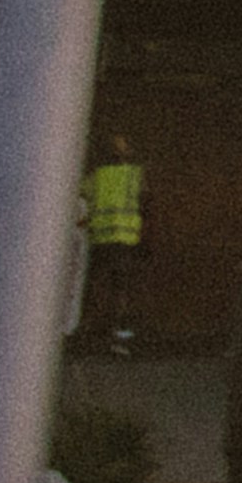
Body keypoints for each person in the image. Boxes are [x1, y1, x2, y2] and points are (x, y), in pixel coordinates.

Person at [80, 129, 149, 354]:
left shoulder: (96, 175)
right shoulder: (134, 175)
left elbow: (82, 196)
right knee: (119, 290)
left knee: (94, 287)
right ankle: (114, 335)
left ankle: (87, 332)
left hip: (99, 239)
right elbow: (145, 200)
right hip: (124, 239)